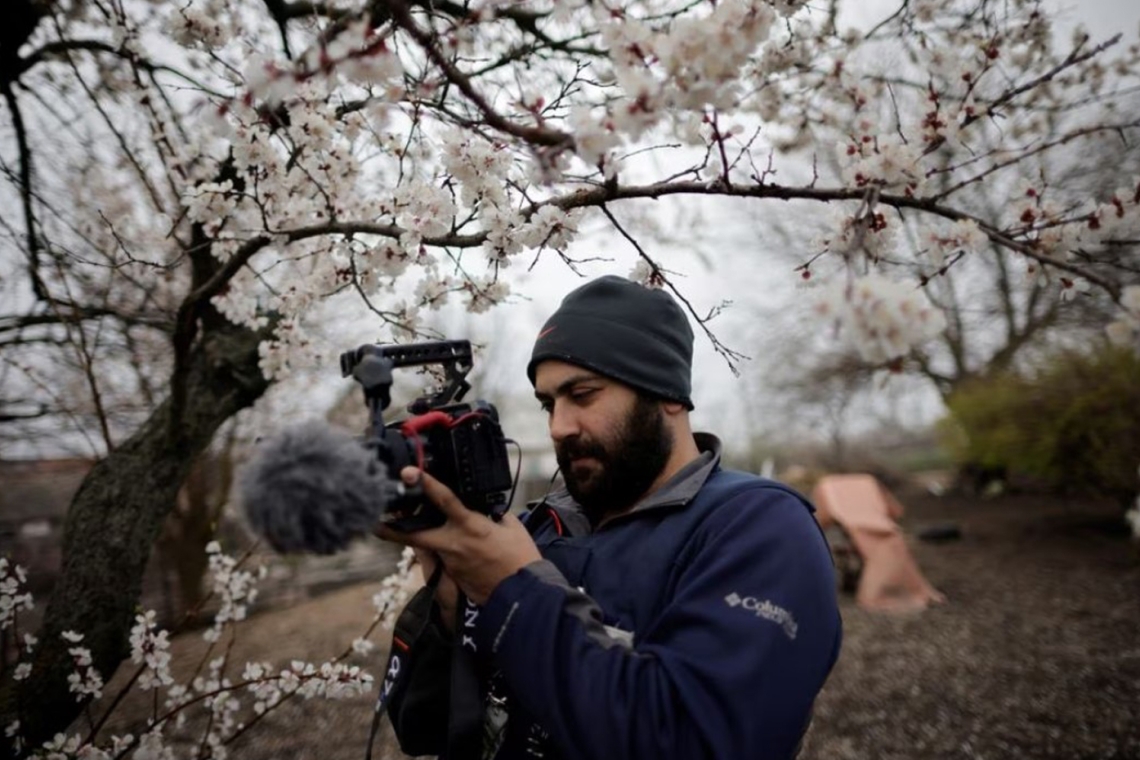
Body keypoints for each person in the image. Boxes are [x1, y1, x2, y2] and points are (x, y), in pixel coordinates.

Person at [376, 275, 842, 760]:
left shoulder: (759, 529)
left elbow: (696, 740)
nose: (559, 427)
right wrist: (449, 613)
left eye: (583, 395)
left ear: (668, 394)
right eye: (548, 404)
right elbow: (426, 730)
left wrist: (510, 589)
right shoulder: (536, 529)